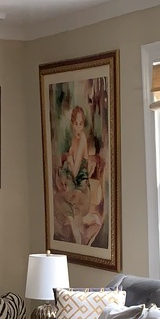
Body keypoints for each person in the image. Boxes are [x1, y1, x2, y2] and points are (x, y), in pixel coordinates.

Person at [56, 104, 106, 245]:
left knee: (71, 211)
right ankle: (86, 223)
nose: (78, 127)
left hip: (82, 191)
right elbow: (67, 170)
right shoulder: (73, 140)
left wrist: (70, 162)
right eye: (76, 124)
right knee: (60, 203)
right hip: (73, 189)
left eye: (81, 124)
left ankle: (84, 229)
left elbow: (76, 169)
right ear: (72, 124)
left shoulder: (83, 138)